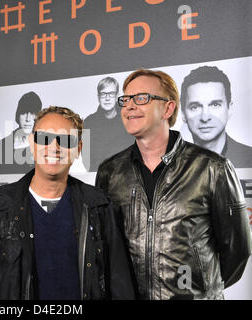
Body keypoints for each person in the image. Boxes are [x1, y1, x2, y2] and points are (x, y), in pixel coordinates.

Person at [96, 69, 251, 300]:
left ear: (168, 108)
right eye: (125, 99)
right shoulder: (110, 171)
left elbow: (237, 254)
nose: (128, 106)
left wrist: (198, 290)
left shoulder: (212, 168)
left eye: (141, 98)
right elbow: (105, 247)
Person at [0, 106, 135, 300]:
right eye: (44, 138)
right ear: (32, 144)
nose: (54, 147)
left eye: (66, 140)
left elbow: (120, 287)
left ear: (79, 149)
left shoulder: (99, 207)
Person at [181, 66, 252, 168]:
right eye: (195, 107)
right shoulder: (171, 166)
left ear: (229, 108)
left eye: (215, 105)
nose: (205, 118)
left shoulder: (249, 158)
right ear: (183, 113)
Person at [82, 76, 133, 172]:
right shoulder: (88, 122)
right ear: (98, 97)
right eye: (103, 94)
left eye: (111, 94)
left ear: (117, 95)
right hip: (98, 176)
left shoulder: (129, 119)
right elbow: (86, 159)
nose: (107, 98)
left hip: (127, 176)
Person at [0, 91, 42, 174]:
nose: (27, 119)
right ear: (18, 115)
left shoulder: (44, 145)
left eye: (32, 114)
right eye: (24, 113)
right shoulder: (1, 146)